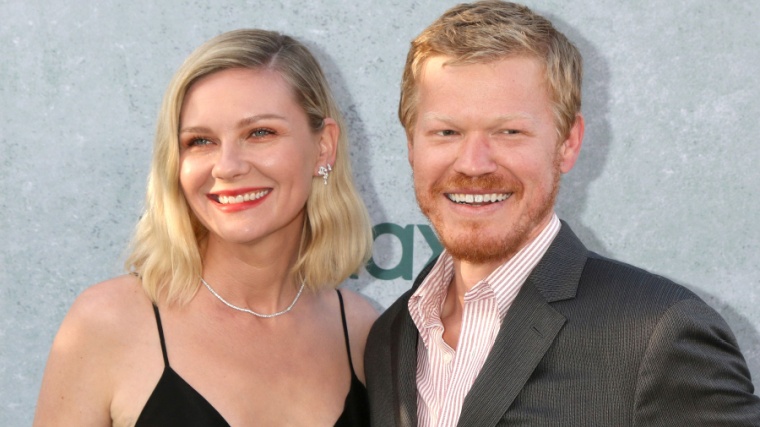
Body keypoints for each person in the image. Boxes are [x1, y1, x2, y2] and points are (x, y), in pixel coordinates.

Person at [364, 1, 760, 426]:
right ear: (410, 145)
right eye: (446, 132)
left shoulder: (657, 333)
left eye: (509, 132)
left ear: (568, 144)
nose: (473, 163)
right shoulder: (391, 336)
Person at [34, 29, 376, 426]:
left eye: (260, 133)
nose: (227, 166)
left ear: (324, 146)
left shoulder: (361, 331)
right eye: (200, 141)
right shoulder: (108, 323)